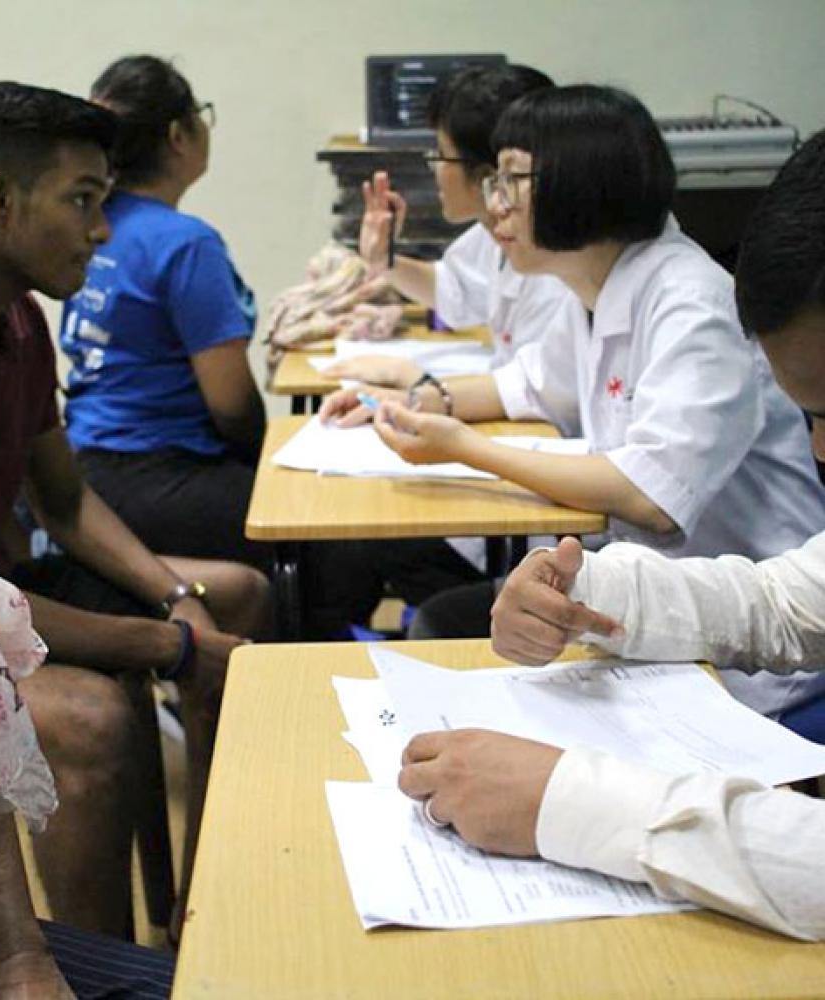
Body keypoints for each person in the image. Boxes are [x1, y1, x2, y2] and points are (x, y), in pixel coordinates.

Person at [0, 77, 270, 937]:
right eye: (82, 201)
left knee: (235, 593)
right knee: (95, 718)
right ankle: (101, 958)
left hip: (3, 584)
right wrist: (167, 641)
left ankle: (204, 902)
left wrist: (179, 598)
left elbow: (65, 501)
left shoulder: (18, 319)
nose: (101, 230)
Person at [397, 128, 825, 943]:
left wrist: (570, 804)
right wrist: (591, 591)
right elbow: (788, 600)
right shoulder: (602, 293)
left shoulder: (685, 298)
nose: (820, 453)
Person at [321, 85, 825, 719]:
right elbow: (522, 386)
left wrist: (466, 448)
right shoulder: (594, 287)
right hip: (655, 585)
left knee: (462, 637)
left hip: (745, 625)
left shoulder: (690, 301)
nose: (493, 204)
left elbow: (651, 498)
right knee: (457, 624)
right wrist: (417, 400)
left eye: (509, 181)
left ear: (579, 180)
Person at [58, 54, 484, 637]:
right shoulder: (185, 244)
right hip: (161, 475)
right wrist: (274, 465)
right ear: (181, 134)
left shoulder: (100, 225)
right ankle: (418, 640)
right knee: (350, 517)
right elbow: (231, 406)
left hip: (92, 471)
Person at [322, 62, 567, 390]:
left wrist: (415, 381)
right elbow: (457, 289)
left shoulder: (555, 271)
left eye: (441, 154)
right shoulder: (495, 233)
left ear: (491, 173)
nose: (433, 168)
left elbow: (538, 394)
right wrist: (386, 260)